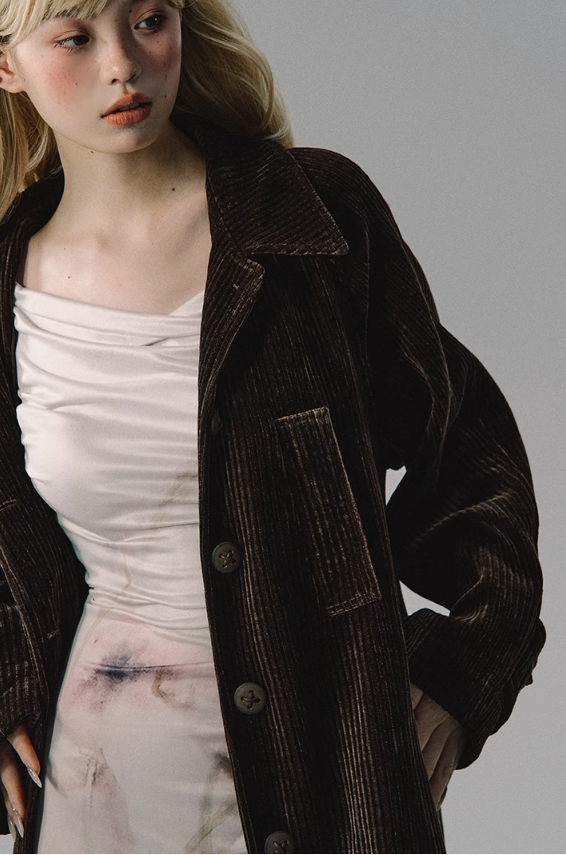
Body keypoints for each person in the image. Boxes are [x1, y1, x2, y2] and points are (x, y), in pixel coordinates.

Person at [0, 0, 545, 852]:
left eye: (149, 19)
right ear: (6, 65)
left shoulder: (310, 221)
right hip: (102, 787)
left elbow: (472, 451)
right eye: (74, 37)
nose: (123, 64)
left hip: (333, 781)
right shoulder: (10, 289)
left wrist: (468, 668)